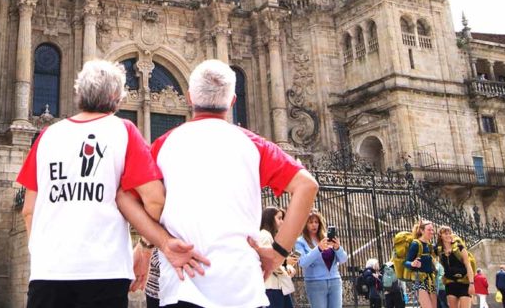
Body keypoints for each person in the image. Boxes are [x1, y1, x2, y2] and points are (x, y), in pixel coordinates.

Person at [120, 59, 319, 308]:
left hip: (182, 287)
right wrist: (278, 253)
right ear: (233, 101)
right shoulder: (254, 145)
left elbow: (125, 196)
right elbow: (307, 186)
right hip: (244, 289)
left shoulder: (163, 144)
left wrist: (156, 242)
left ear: (189, 98)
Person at [17, 59, 207, 308]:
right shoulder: (123, 131)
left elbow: (29, 209)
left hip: (48, 273)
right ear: (118, 98)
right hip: (105, 271)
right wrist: (147, 245)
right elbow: (155, 199)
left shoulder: (46, 137)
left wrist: (42, 253)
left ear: (78, 93)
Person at [296, 211, 347, 308]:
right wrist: (318, 249)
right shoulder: (300, 242)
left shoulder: (327, 239)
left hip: (334, 281)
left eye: (316, 222)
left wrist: (338, 248)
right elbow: (302, 262)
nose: (314, 225)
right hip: (315, 283)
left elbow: (343, 259)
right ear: (305, 224)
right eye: (310, 222)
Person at [258, 207, 297, 308]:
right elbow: (269, 262)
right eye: (279, 218)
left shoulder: (270, 236)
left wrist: (286, 267)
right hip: (271, 288)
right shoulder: (265, 235)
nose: (282, 221)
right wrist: (286, 268)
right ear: (270, 219)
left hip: (278, 287)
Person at [435, 226, 473, 308]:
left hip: (464, 283)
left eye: (449, 233)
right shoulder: (439, 250)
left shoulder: (459, 247)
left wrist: (472, 284)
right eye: (446, 233)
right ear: (440, 236)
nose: (448, 235)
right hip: (450, 284)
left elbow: (468, 265)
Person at [405, 220, 437, 308]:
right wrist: (412, 264)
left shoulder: (429, 245)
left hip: (431, 280)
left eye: (432, 230)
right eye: (429, 230)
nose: (432, 232)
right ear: (422, 231)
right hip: (419, 281)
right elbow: (406, 262)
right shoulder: (416, 244)